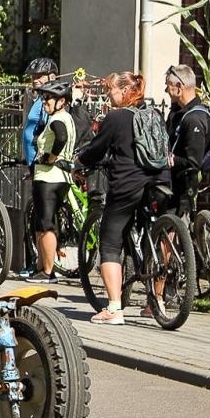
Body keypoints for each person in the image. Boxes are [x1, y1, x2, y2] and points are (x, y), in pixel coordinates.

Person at [75, 71, 169, 324]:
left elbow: (97, 149)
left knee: (110, 241)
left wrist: (79, 162)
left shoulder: (116, 118)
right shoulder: (154, 114)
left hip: (128, 184)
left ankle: (114, 309)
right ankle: (157, 301)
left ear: (125, 92)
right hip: (160, 179)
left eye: (111, 92)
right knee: (155, 237)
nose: (108, 97)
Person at [29, 80, 75, 282]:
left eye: (48, 98)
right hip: (59, 178)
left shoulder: (58, 119)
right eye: (42, 97)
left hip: (49, 177)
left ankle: (48, 272)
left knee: (46, 224)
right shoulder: (67, 118)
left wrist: (50, 157)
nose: (44, 101)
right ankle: (42, 268)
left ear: (61, 101)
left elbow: (61, 138)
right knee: (43, 223)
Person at [164, 64, 210, 215]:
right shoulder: (178, 112)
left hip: (181, 188)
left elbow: (193, 162)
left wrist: (172, 160)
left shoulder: (194, 119)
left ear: (179, 87)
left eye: (168, 86)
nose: (166, 90)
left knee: (169, 234)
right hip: (171, 181)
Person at [21, 57, 58, 166]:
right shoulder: (39, 98)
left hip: (42, 163)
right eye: (33, 76)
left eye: (39, 76)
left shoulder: (50, 100)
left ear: (52, 77)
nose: (35, 80)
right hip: (33, 163)